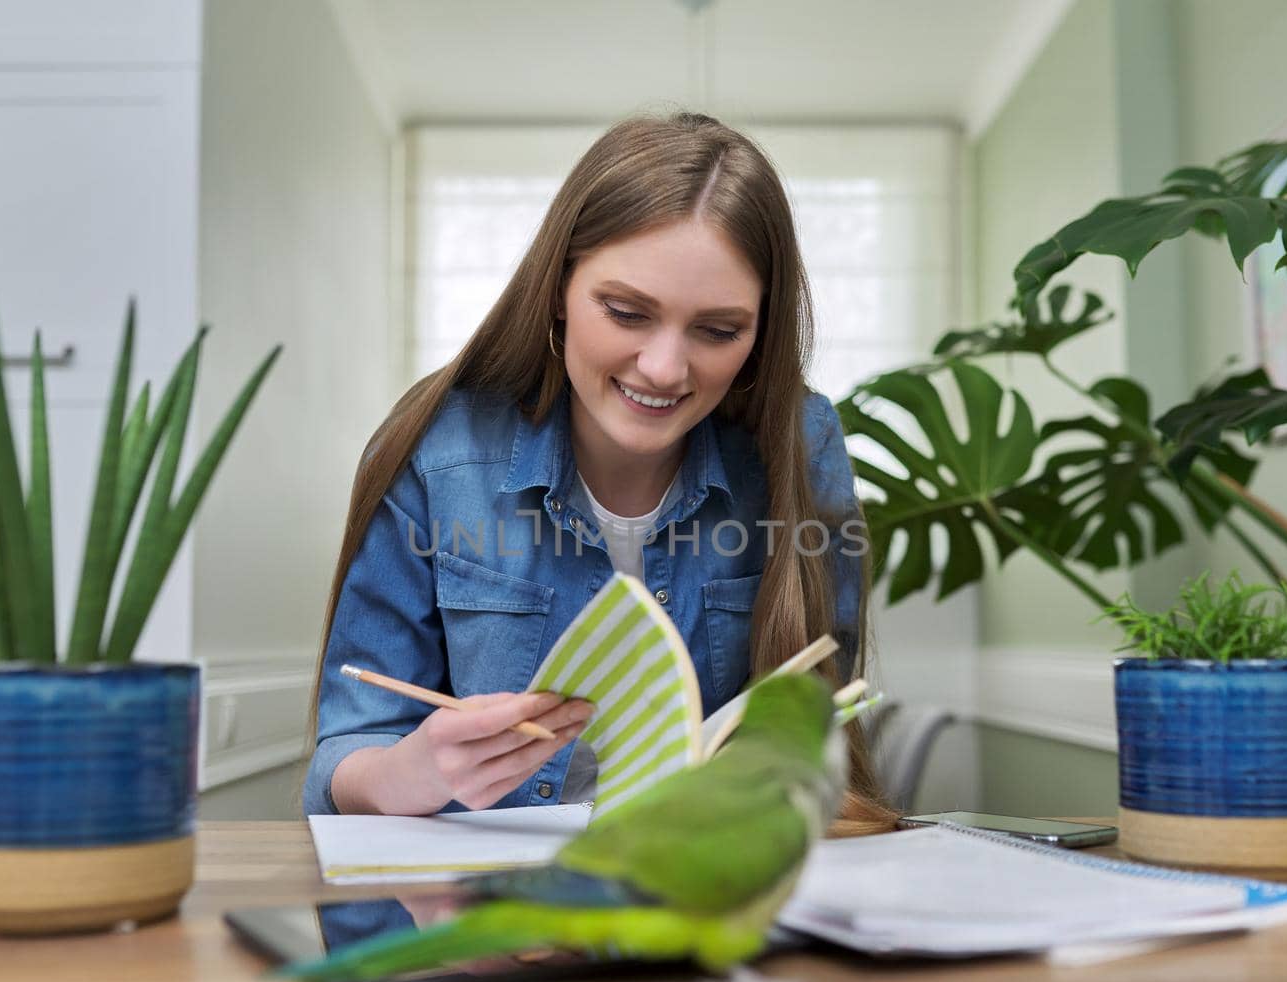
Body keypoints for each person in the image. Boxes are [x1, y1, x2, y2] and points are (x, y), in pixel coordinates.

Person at [303, 110, 895, 836]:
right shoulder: (438, 448)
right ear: (558, 288)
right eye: (625, 311)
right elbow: (345, 750)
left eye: (718, 330)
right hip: (493, 911)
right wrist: (414, 771)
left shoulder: (801, 445)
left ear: (761, 331)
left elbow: (826, 737)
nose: (665, 368)